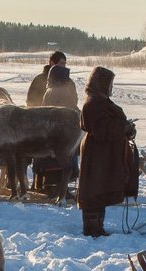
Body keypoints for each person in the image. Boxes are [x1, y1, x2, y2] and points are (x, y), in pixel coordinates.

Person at [77, 66, 135, 238]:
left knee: (100, 190)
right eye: (109, 84)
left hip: (104, 154)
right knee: (94, 189)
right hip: (97, 155)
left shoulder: (100, 101)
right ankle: (92, 227)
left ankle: (98, 226)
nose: (111, 87)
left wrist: (128, 129)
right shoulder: (93, 104)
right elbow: (102, 128)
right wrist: (123, 128)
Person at [34, 63, 80, 194]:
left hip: (48, 131)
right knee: (68, 155)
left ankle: (48, 184)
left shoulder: (49, 91)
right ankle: (60, 186)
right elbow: (72, 108)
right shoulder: (62, 91)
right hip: (61, 133)